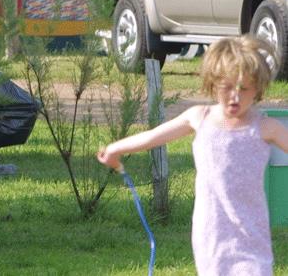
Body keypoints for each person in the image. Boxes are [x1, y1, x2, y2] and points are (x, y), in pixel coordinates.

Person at [97, 35, 288, 276]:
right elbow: (153, 137)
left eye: (244, 89)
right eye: (227, 87)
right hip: (212, 234)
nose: (235, 96)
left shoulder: (265, 127)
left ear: (258, 88)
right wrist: (116, 149)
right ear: (213, 84)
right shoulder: (200, 117)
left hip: (250, 235)